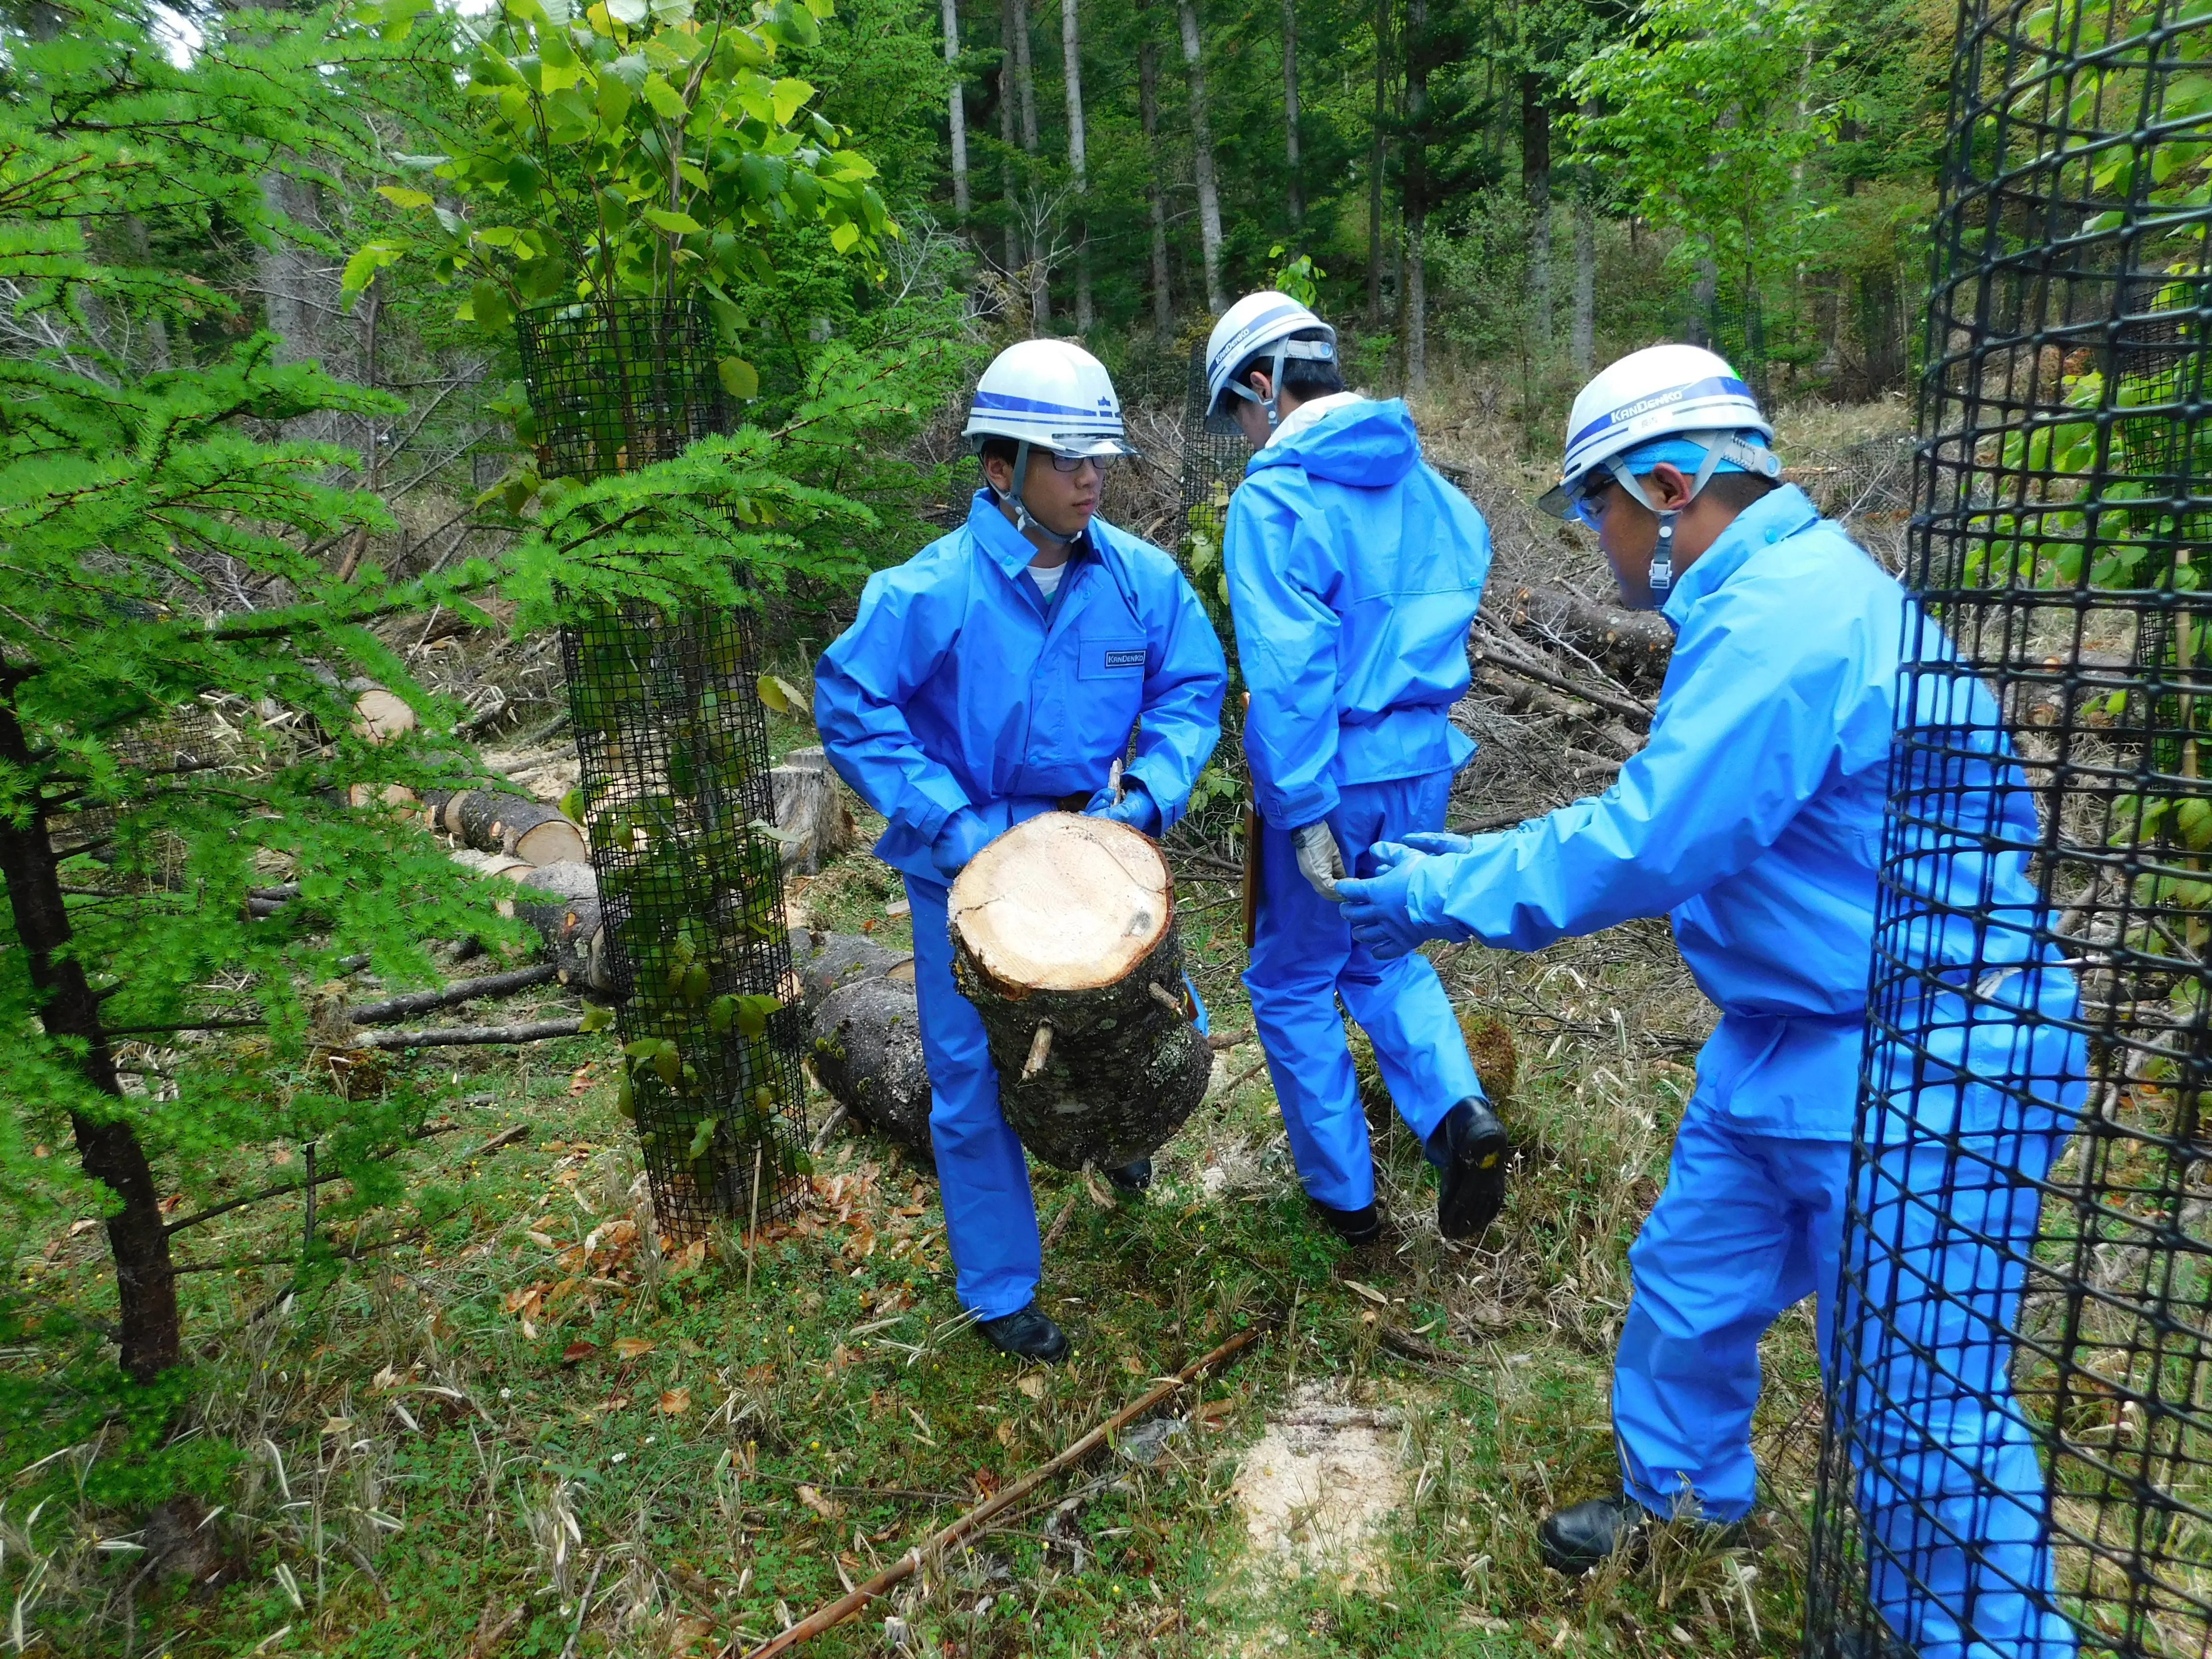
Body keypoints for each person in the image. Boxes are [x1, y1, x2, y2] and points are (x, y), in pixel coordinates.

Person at [1334, 343, 2083, 1659]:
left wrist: (1437, 898)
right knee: (1691, 1282)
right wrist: (1460, 861)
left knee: (1920, 1405)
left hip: (1934, 1052)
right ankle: (1676, 1500)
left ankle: (1983, 1640)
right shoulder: (1758, 608)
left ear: (1669, 483)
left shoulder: (1796, 616)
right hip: (1789, 1033)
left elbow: (1648, 843)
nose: (1595, 536)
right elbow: (1679, 818)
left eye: (1595, 506)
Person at [814, 339, 1228, 1365]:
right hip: (968, 869)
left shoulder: (1141, 581)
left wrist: (1146, 799)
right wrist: (958, 829)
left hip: (1099, 846)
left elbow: (1192, 685)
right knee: (968, 1074)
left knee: (1143, 1024)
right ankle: (1001, 1289)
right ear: (1001, 467)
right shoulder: (931, 591)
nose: (1092, 476)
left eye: (1100, 457)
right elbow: (852, 701)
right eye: (1066, 457)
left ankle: (1123, 1143)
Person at [1202, 291, 1506, 1247]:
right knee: (1385, 952)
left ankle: (1347, 1204)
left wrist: (1299, 809)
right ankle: (1460, 1115)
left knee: (1293, 980)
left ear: (1265, 384)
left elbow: (1290, 678)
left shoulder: (1276, 497)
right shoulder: (1436, 493)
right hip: (1423, 762)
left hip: (1331, 770)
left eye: (1239, 414)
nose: (1245, 435)